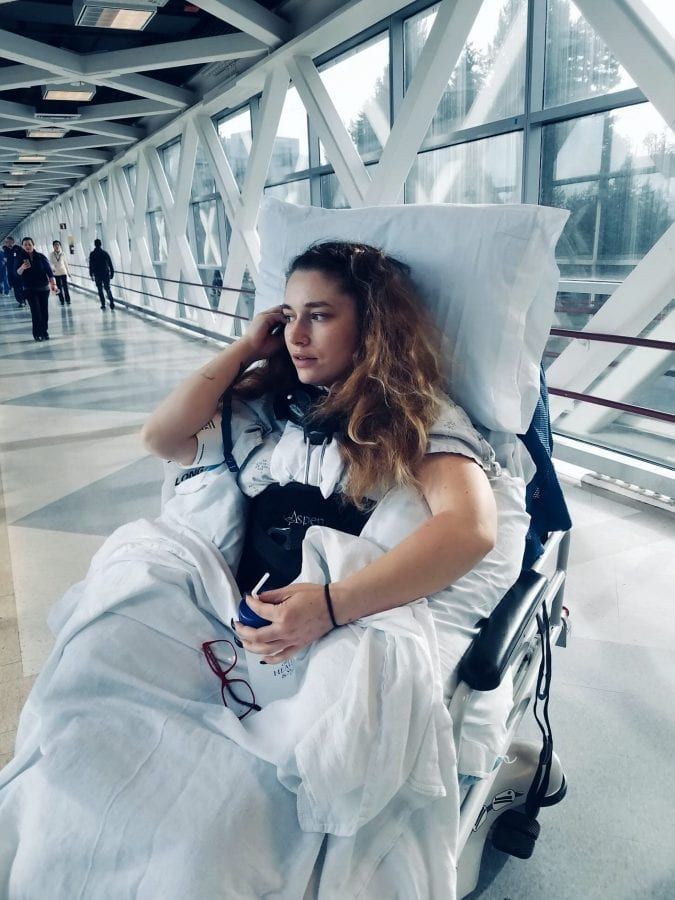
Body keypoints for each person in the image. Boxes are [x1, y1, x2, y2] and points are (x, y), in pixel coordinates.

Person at [143, 241, 497, 665]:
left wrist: (331, 607)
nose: (296, 336)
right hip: (233, 618)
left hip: (336, 630)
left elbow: (470, 527)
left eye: (319, 315)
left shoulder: (416, 417)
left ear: (371, 326)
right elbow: (161, 437)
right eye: (288, 317)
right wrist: (247, 349)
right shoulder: (272, 404)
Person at [16, 237, 58, 341]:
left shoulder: (41, 256)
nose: (27, 246)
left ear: (33, 245)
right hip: (30, 289)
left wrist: (53, 284)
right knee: (36, 312)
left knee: (44, 312)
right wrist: (22, 267)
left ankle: (44, 332)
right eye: (25, 245)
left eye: (29, 244)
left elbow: (49, 272)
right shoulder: (20, 258)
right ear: (22, 246)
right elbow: (17, 273)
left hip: (43, 289)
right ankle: (37, 333)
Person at [88, 238, 115, 310]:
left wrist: (91, 274)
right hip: (105, 273)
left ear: (95, 245)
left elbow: (91, 265)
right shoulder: (105, 253)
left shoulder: (92, 254)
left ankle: (103, 304)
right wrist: (112, 273)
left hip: (97, 274)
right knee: (107, 288)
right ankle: (111, 301)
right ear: (100, 244)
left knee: (100, 289)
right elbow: (110, 264)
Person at [3, 236, 25, 306]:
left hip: (19, 271)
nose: (7, 243)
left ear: (12, 241)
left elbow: (24, 258)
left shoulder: (18, 249)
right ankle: (21, 301)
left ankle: (24, 300)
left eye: (8, 242)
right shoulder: (5, 250)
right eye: (6, 242)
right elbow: (5, 261)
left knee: (22, 287)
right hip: (11, 272)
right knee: (16, 288)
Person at [49, 239, 71, 305]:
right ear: (53, 246)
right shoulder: (51, 254)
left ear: (60, 246)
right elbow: (51, 263)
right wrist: (52, 270)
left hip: (63, 272)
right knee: (58, 288)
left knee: (65, 287)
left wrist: (68, 272)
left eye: (58, 245)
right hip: (56, 273)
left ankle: (68, 300)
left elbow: (66, 263)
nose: (57, 246)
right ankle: (61, 300)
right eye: (55, 245)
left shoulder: (63, 254)